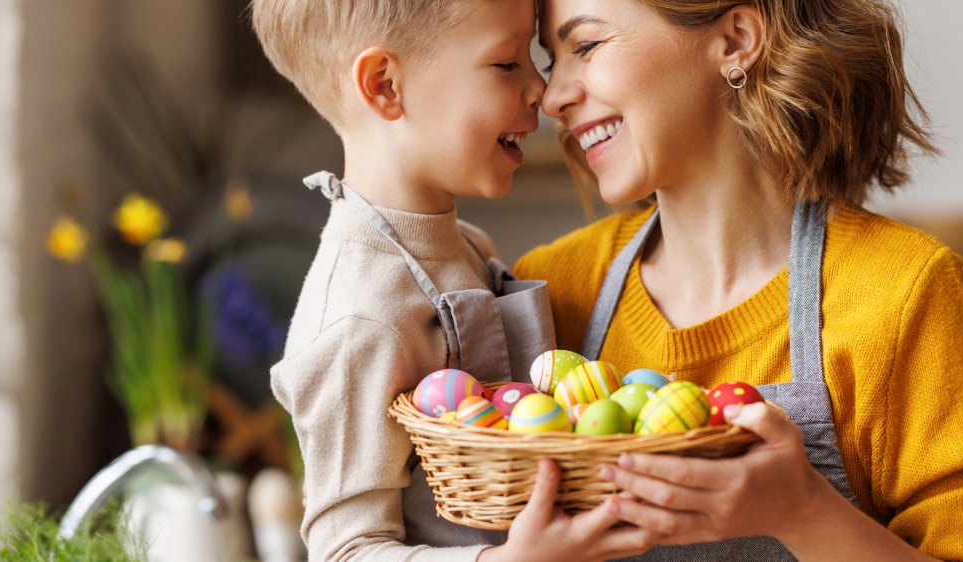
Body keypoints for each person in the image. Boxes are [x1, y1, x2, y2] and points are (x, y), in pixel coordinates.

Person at [516, 0, 963, 559]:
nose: (553, 97)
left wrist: (804, 512)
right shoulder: (550, 288)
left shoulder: (906, 294)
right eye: (553, 62)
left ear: (736, 40)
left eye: (587, 47)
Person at [251, 0, 658, 560]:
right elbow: (347, 549)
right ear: (385, 86)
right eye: (505, 63)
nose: (541, 87)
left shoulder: (468, 245)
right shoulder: (358, 314)